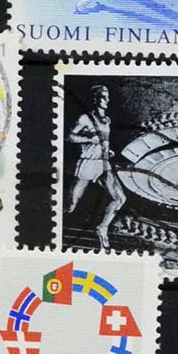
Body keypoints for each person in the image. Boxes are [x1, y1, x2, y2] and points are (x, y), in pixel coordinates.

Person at [66, 82, 126, 249]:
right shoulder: (85, 118)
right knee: (71, 205)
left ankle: (102, 228)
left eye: (108, 97)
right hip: (88, 163)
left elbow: (103, 140)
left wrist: (107, 150)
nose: (107, 100)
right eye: (103, 97)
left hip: (103, 163)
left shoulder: (107, 120)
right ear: (96, 99)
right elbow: (70, 136)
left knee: (120, 198)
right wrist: (88, 139)